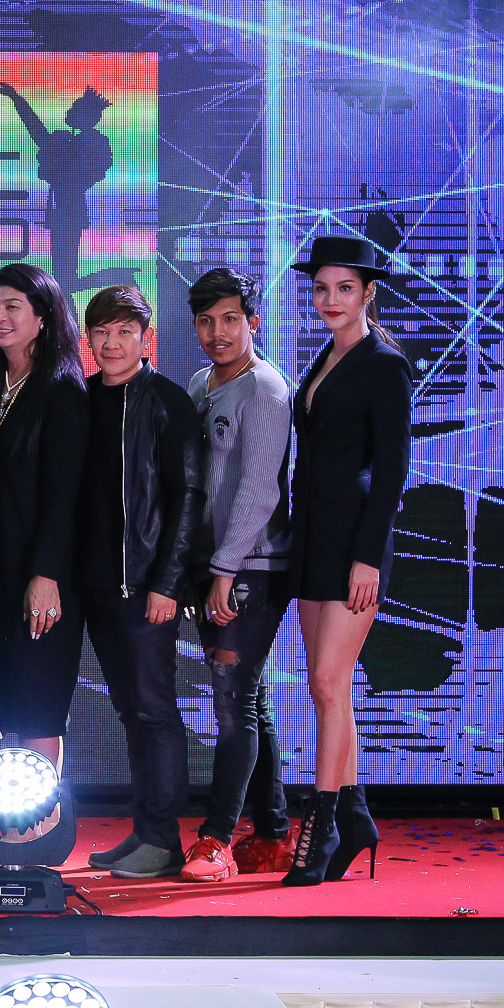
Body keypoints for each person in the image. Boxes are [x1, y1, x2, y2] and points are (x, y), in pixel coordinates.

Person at [282, 236, 411, 887]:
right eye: (320, 288)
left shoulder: (385, 365)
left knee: (330, 685)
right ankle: (356, 816)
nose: (329, 299)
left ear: (368, 293)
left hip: (355, 545)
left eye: (344, 288)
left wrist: (367, 559)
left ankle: (323, 823)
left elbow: (392, 471)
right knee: (325, 688)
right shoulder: (327, 356)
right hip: (313, 539)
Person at [72, 286, 201, 881]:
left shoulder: (167, 401)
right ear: (88, 338)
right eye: (102, 332)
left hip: (147, 585)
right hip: (97, 586)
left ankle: (164, 838)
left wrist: (169, 583)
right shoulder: (81, 398)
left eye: (124, 331)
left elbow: (187, 498)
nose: (112, 343)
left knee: (154, 710)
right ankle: (145, 831)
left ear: (145, 338)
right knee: (130, 711)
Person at [179, 268, 295, 883]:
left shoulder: (266, 389)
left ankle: (216, 839)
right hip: (211, 567)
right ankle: (273, 834)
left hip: (253, 567)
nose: (217, 332)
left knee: (233, 703)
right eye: (205, 321)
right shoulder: (201, 383)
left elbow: (259, 491)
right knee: (248, 698)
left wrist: (225, 569)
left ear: (253, 322)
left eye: (230, 319)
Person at [0, 262, 88, 768]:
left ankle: (44, 815)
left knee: (39, 703)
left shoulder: (63, 391)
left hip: (42, 575)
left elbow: (66, 496)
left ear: (43, 317)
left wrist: (47, 575)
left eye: (12, 307)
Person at [0, 82, 115, 290]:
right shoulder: (69, 140)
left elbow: (39, 133)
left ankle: (109, 280)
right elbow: (36, 130)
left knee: (65, 275)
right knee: (63, 273)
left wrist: (16, 98)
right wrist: (16, 98)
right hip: (62, 208)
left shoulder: (90, 142)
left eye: (75, 108)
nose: (70, 111)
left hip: (69, 209)